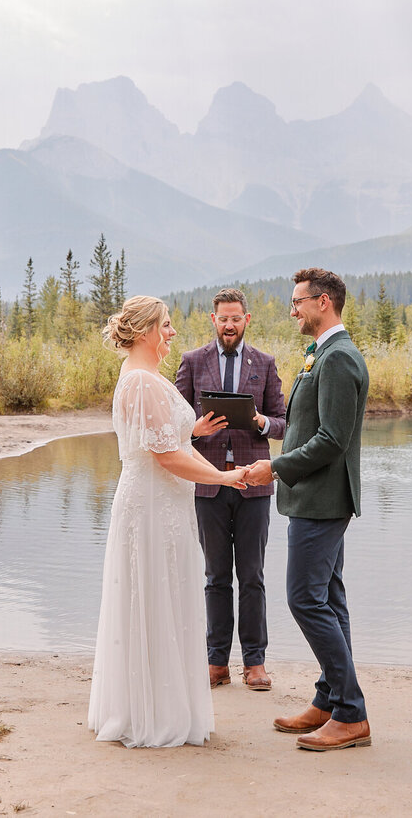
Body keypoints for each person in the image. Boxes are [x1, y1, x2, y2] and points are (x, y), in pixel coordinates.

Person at [87, 296, 249, 748]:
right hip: (152, 507)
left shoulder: (146, 379)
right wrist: (223, 476)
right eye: (166, 324)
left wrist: (192, 433)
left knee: (164, 595)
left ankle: (157, 702)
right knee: (152, 596)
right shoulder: (141, 381)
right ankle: (149, 713)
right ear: (144, 332)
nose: (173, 332)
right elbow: (165, 456)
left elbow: (169, 441)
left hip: (163, 504)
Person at [244, 267, 371, 752]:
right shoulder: (322, 354)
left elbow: (333, 440)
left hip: (322, 501)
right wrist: (268, 432)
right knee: (329, 601)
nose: (292, 308)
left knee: (304, 599)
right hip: (315, 500)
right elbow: (305, 426)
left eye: (298, 301)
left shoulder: (338, 358)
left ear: (324, 302)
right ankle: (328, 700)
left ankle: (352, 713)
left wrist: (272, 469)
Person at [174, 287, 288, 691]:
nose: (229, 324)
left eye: (236, 318)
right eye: (223, 318)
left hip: (253, 486)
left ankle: (254, 663)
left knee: (253, 576)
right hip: (207, 484)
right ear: (213, 319)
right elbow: (171, 424)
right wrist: (193, 428)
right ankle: (216, 662)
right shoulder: (191, 362)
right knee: (215, 577)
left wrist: (259, 422)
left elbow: (284, 424)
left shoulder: (266, 364)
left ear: (246, 320)